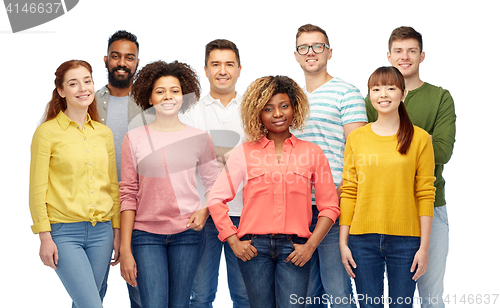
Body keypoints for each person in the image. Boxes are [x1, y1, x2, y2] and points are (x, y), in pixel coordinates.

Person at [207, 75, 340, 308]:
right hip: (254, 250)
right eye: (268, 109)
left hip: (295, 249)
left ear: (294, 108)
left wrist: (310, 246)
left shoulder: (313, 153)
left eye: (284, 106)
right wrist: (233, 241)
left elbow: (329, 206)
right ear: (258, 113)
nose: (277, 114)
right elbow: (216, 198)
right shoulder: (244, 152)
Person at [364, 26, 456, 308]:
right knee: (386, 297)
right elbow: (369, 151)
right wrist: (420, 138)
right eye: (399, 51)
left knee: (430, 294)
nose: (405, 57)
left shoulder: (440, 97)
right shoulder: (373, 97)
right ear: (389, 56)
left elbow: (441, 151)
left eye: (411, 51)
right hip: (384, 207)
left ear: (422, 55)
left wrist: (399, 137)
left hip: (430, 203)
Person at [119, 60, 220, 308]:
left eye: (175, 90)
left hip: (187, 234)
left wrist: (205, 210)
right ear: (150, 98)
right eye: (160, 91)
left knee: (179, 304)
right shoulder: (134, 138)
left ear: (183, 96)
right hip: (145, 237)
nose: (168, 96)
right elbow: (128, 194)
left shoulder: (198, 138)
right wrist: (125, 248)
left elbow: (214, 183)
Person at [340, 66, 436, 308]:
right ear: (370, 95)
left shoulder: (420, 138)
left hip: (406, 241)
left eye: (391, 88)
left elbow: (425, 194)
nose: (383, 94)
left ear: (403, 94)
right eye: (376, 89)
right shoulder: (357, 138)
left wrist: (424, 248)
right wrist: (343, 243)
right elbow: (350, 190)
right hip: (362, 239)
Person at [29, 60, 120, 308]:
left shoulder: (103, 133)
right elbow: (37, 189)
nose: (83, 88)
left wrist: (117, 231)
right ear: (61, 91)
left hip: (102, 232)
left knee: (87, 302)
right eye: (73, 83)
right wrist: (44, 237)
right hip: (64, 234)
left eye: (87, 81)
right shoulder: (46, 133)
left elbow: (112, 186)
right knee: (91, 304)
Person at [293, 24, 367, 307]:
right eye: (304, 47)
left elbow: (359, 152)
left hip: (333, 205)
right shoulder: (290, 99)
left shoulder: (346, 92)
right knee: (306, 295)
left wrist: (340, 193)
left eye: (317, 46)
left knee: (337, 292)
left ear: (329, 52)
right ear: (296, 55)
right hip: (297, 206)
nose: (310, 52)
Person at [179, 39, 249, 308]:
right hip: (202, 215)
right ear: (206, 69)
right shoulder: (191, 111)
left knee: (244, 295)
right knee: (201, 294)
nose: (223, 70)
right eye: (216, 64)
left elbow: (257, 159)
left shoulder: (252, 108)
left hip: (244, 213)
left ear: (239, 69)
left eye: (229, 64)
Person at [95, 29, 145, 308]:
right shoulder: (88, 101)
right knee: (91, 290)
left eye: (129, 57)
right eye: (116, 56)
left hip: (139, 208)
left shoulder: (150, 102)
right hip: (97, 206)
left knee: (142, 291)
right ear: (106, 60)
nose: (122, 63)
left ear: (137, 62)